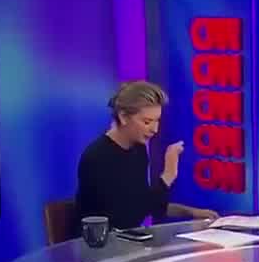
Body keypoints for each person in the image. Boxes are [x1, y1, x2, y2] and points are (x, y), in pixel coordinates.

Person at [76, 81, 218, 230]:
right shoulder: (97, 157)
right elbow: (126, 217)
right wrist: (168, 176)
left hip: (128, 239)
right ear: (123, 117)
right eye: (147, 122)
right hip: (99, 242)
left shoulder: (138, 150)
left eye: (157, 121)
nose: (154, 129)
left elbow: (148, 204)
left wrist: (191, 212)